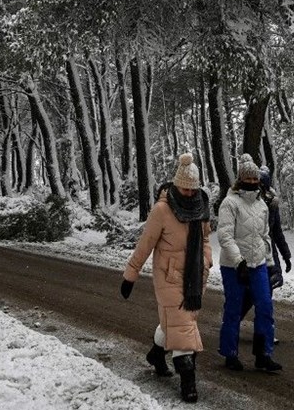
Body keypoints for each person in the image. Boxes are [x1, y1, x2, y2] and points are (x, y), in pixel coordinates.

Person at [120, 153, 212, 403]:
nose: (190, 194)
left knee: (176, 322)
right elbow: (145, 244)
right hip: (168, 276)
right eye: (185, 188)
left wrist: (206, 261)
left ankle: (156, 354)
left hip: (194, 278)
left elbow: (205, 240)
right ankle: (188, 382)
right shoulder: (162, 210)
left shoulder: (201, 205)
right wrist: (131, 274)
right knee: (183, 327)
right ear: (176, 184)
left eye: (193, 189)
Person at [217, 154, 282, 372]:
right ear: (240, 180)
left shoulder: (261, 205)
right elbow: (225, 236)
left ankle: (263, 354)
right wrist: (238, 261)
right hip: (233, 266)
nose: (253, 183)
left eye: (256, 179)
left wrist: (270, 262)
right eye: (249, 179)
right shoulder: (230, 203)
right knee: (234, 309)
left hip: (259, 264)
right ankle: (230, 353)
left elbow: (265, 236)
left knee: (265, 306)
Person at [240, 166, 291, 340]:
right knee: (248, 294)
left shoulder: (272, 203)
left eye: (262, 184)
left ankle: (263, 332)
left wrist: (286, 255)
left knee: (265, 295)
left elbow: (276, 232)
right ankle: (233, 321)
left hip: (268, 254)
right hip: (249, 254)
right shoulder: (244, 201)